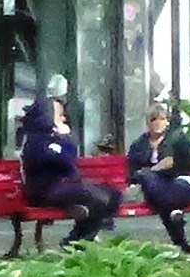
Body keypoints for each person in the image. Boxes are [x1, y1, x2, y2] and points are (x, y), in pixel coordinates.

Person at [16, 92, 119, 244]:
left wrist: (64, 140)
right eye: (59, 115)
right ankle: (78, 239)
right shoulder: (35, 140)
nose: (64, 119)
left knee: (113, 194)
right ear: (47, 117)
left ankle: (79, 235)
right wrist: (64, 139)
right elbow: (62, 159)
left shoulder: (55, 139)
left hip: (65, 187)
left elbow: (69, 157)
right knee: (98, 198)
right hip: (45, 191)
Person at [125, 100, 190, 249]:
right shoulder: (138, 144)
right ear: (148, 123)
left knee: (161, 195)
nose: (158, 123)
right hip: (155, 186)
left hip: (182, 182)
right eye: (153, 119)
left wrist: (170, 165)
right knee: (148, 177)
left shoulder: (178, 139)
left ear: (167, 121)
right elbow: (133, 172)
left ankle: (180, 241)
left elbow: (187, 164)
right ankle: (180, 238)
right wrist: (156, 169)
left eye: (162, 119)